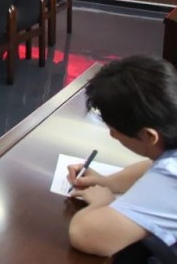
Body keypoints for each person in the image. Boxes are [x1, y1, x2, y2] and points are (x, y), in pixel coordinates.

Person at [68, 56, 177, 257]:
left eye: (114, 130)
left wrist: (103, 202)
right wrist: (108, 182)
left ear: (148, 136)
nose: (112, 135)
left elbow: (85, 234)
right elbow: (153, 166)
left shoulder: (171, 180)